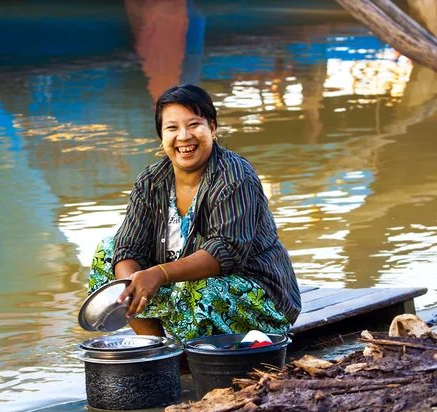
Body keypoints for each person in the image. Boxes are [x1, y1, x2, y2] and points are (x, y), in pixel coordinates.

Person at [88, 84, 301, 343]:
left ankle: (195, 359)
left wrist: (159, 274)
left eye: (194, 125)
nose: (184, 136)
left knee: (198, 287)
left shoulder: (235, 175)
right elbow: (127, 247)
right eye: (172, 128)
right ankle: (159, 349)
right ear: (161, 136)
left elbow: (226, 251)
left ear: (212, 128)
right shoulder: (150, 181)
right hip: (185, 290)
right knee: (106, 254)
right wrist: (132, 286)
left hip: (257, 298)